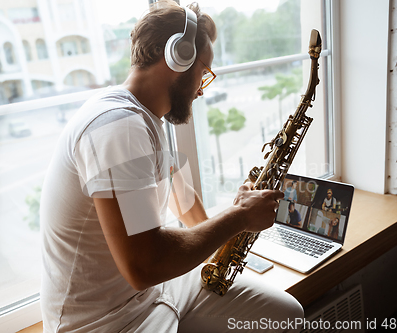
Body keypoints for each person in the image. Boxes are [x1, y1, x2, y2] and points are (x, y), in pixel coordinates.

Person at [40, 1, 303, 332]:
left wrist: (231, 228)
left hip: (151, 294)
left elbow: (183, 196)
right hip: (106, 321)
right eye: (203, 73)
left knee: (286, 314)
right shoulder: (118, 127)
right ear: (178, 58)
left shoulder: (149, 116)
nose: (201, 91)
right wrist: (239, 218)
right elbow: (143, 266)